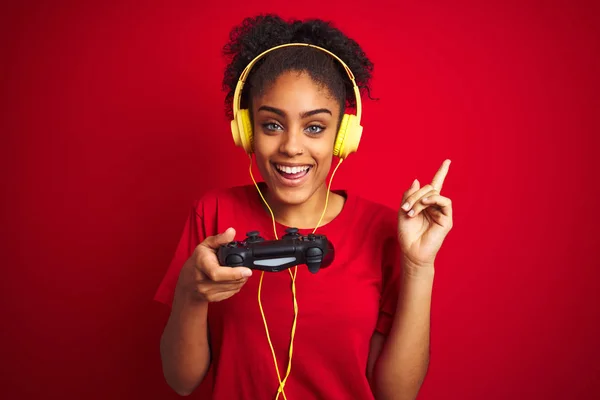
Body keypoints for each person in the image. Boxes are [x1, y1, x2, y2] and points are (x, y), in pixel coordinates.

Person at [154, 14, 453, 400]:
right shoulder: (213, 213)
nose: (292, 147)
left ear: (343, 137)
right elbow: (181, 380)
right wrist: (190, 291)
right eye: (272, 125)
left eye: (314, 127)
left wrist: (418, 265)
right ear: (246, 131)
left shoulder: (384, 229)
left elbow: (397, 395)